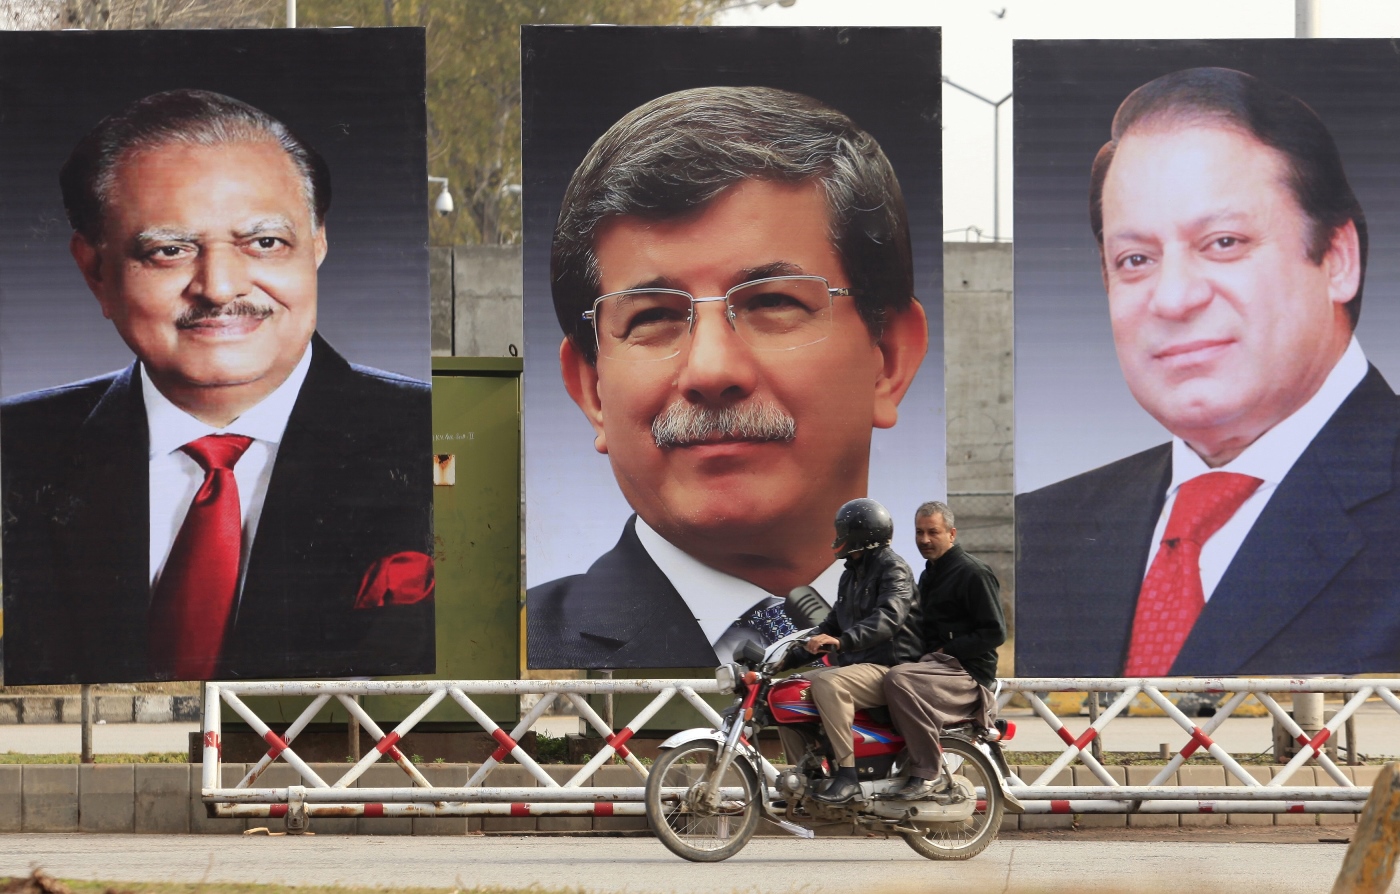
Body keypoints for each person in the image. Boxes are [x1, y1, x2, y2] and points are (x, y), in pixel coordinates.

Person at [1, 89, 434, 685]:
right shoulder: (15, 451)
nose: (220, 287)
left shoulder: (434, 439)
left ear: (318, 247)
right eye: (169, 250)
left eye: (265, 243)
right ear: (95, 272)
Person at [1017, 67, 1400, 677]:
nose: (1173, 299)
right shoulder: (1038, 534)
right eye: (1135, 259)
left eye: (1223, 242)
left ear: (1337, 259)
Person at [527, 86, 928, 669]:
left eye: (772, 303)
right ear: (590, 387)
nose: (711, 370)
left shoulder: (944, 629)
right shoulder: (529, 655)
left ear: (888, 358)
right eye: (654, 317)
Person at [787, 498, 919, 804]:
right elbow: (832, 623)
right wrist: (788, 656)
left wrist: (843, 642)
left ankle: (848, 776)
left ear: (864, 534)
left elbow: (889, 618)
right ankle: (808, 777)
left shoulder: (894, 568)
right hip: (859, 665)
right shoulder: (852, 574)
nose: (839, 537)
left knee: (826, 682)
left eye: (844, 531)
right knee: (790, 689)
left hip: (889, 666)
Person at [882, 502, 1004, 800]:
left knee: (898, 679)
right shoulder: (929, 575)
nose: (924, 539)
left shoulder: (973, 573)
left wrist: (946, 649)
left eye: (933, 532)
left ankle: (926, 772)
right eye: (919, 532)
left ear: (951, 534)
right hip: (939, 668)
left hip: (968, 676)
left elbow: (995, 632)